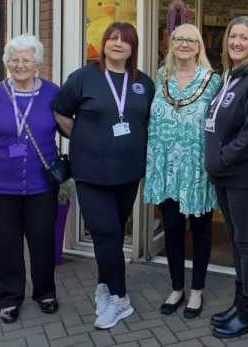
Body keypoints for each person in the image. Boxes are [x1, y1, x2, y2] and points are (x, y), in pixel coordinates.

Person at [51, 22, 155, 329]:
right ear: (103, 44)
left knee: (111, 235)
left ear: (133, 48)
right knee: (106, 233)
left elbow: (145, 121)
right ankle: (121, 300)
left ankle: (104, 287)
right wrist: (81, 136)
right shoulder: (83, 78)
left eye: (125, 41)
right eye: (112, 39)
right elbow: (59, 110)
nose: (118, 44)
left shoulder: (143, 83)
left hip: (128, 173)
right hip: (91, 172)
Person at [0, 33, 60, 324]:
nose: (20, 65)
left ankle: (45, 293)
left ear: (38, 63)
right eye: (14, 59)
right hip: (0, 187)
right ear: (6, 63)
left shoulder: (52, 93)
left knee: (43, 241)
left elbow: (69, 129)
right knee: (7, 243)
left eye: (26, 59)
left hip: (42, 186)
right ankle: (9, 297)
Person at [143, 24, 221, 319]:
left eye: (191, 40)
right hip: (167, 169)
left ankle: (197, 291)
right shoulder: (159, 79)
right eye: (179, 39)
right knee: (173, 230)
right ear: (170, 44)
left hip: (197, 169)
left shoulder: (213, 82)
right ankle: (177, 288)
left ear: (200, 46)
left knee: (201, 230)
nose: (184, 44)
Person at [204, 16, 248, 339]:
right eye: (233, 36)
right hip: (223, 175)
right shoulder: (229, 77)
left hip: (241, 176)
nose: (236, 42)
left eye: (243, 38)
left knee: (245, 242)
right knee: (236, 240)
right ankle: (239, 302)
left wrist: (222, 159)